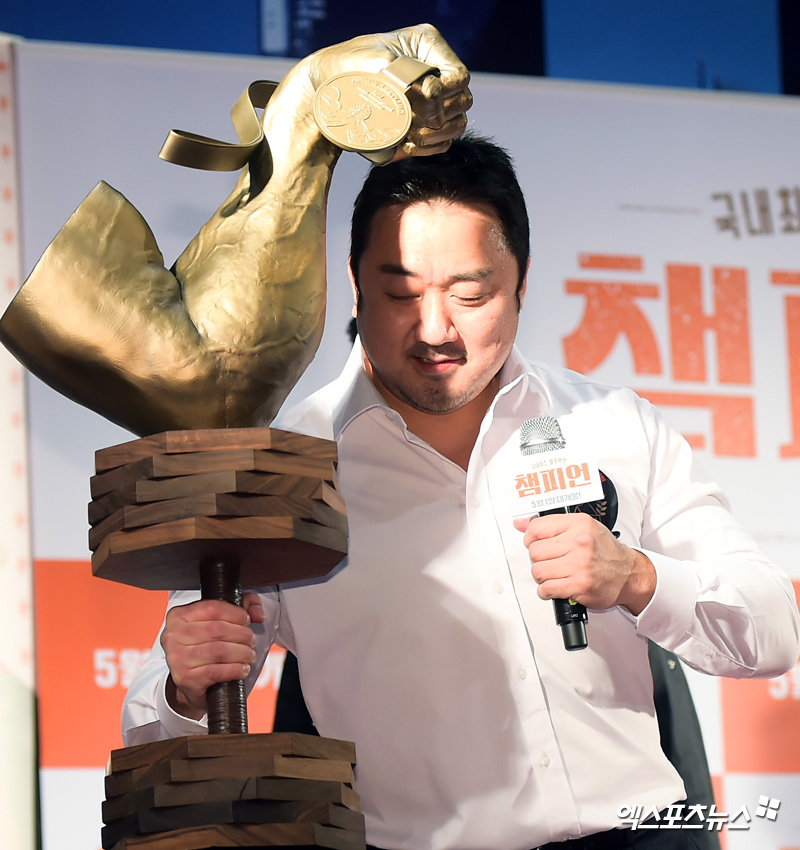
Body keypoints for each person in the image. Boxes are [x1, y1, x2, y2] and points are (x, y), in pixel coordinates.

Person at [123, 134, 800, 850]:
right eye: (400, 293)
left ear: (522, 281)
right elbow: (157, 717)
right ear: (353, 282)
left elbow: (773, 632)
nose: (434, 329)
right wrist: (184, 685)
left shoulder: (613, 424)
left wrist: (636, 577)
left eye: (470, 294)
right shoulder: (284, 466)